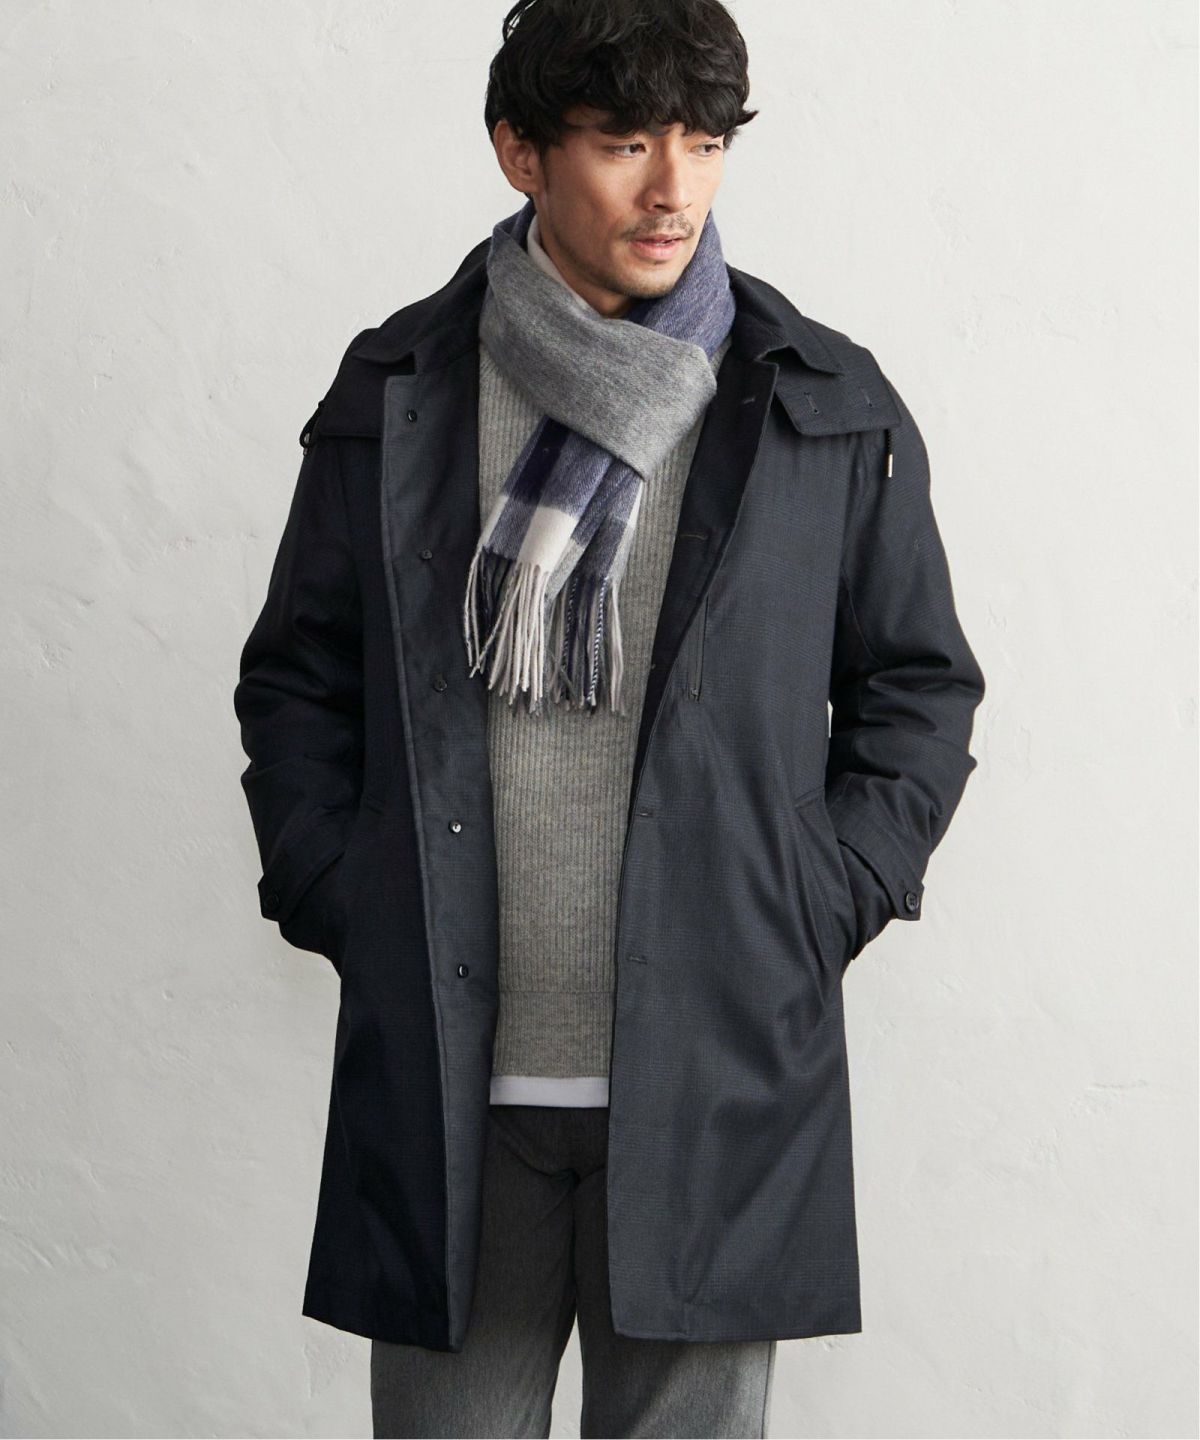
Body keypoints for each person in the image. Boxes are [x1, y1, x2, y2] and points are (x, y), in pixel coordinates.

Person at [233, 1, 986, 1435]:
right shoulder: (401, 386)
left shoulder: (819, 398)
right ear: (521, 152)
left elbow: (917, 687)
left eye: (704, 144)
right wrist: (345, 887)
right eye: (626, 144)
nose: (674, 190)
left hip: (714, 1069)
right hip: (458, 1084)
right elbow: (299, 679)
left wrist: (821, 894)